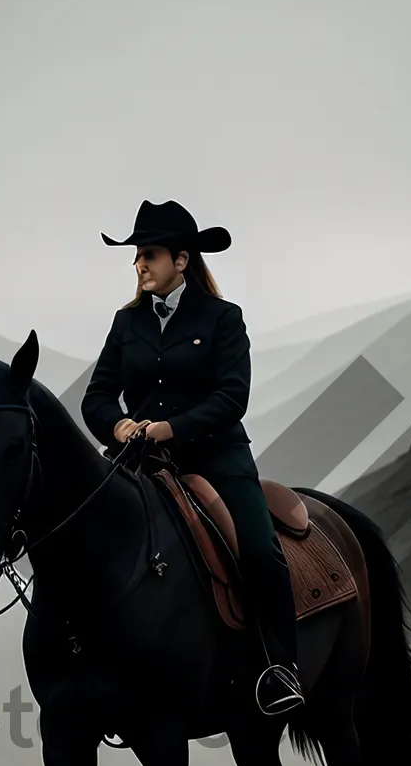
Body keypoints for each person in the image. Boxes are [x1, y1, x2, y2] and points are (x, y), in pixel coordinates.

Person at [81, 199, 305, 717]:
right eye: (137, 255)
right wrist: (118, 425)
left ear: (182, 261)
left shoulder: (224, 318)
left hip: (217, 459)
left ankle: (281, 667)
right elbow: (96, 396)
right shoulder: (126, 322)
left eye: (150, 255)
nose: (139, 264)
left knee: (258, 549)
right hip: (140, 463)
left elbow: (232, 398)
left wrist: (170, 427)